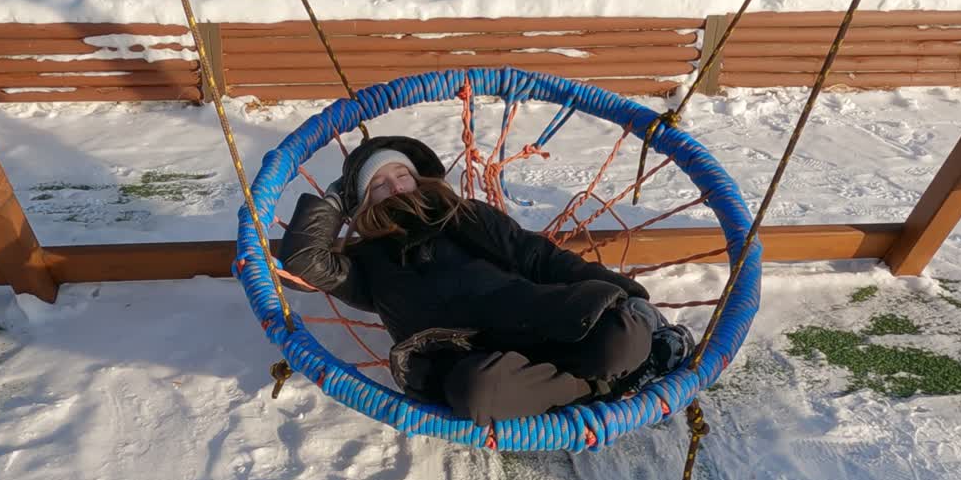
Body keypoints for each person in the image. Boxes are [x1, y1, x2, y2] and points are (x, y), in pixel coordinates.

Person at [278, 136, 694, 426]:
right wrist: (337, 193)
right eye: (380, 185)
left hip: (527, 314)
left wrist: (625, 292)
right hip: (462, 355)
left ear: (418, 179)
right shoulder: (364, 266)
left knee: (617, 337)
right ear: (363, 203)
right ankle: (612, 381)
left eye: (401, 175)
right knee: (477, 395)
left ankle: (633, 346)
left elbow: (534, 255)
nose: (396, 187)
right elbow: (301, 261)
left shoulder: (461, 215)